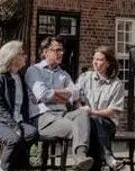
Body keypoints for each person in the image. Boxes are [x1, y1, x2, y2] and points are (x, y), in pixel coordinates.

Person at [27, 37, 93, 171]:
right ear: (45, 52)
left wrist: (54, 94)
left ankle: (80, 155)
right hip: (43, 118)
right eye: (56, 50)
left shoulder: (63, 74)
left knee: (82, 114)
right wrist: (64, 94)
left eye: (61, 50)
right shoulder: (34, 71)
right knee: (75, 127)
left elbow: (75, 95)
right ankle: (80, 160)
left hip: (62, 114)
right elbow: (43, 95)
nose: (60, 53)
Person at [0, 41, 39, 171]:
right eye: (22, 54)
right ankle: (4, 168)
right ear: (13, 57)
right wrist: (14, 126)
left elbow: (22, 105)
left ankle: (3, 165)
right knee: (13, 139)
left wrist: (22, 122)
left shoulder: (19, 77)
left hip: (14, 120)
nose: (25, 56)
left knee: (32, 133)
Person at [77, 46, 128, 171]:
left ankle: (98, 160)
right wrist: (81, 108)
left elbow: (112, 111)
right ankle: (108, 157)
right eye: (94, 59)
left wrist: (92, 112)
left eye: (99, 60)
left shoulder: (117, 84)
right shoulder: (84, 78)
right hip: (86, 122)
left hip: (107, 124)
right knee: (92, 126)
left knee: (95, 121)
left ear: (108, 63)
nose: (95, 62)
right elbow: (75, 98)